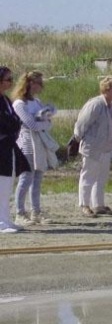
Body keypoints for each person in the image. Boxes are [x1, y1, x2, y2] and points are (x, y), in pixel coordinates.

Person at [11, 71, 58, 226]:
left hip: (39, 142)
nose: (41, 86)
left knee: (37, 177)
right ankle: (19, 213)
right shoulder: (19, 104)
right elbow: (30, 124)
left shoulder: (36, 102)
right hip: (26, 143)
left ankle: (36, 212)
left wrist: (44, 123)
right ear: (30, 83)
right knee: (26, 177)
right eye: (38, 82)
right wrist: (44, 124)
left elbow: (46, 122)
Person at [74, 76, 112, 217]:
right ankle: (84, 204)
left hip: (105, 148)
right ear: (105, 90)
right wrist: (78, 138)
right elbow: (81, 124)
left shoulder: (111, 106)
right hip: (92, 147)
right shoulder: (95, 104)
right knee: (88, 176)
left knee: (101, 177)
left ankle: (98, 204)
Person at [0, 67, 31, 233]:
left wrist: (13, 124)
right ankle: (0, 222)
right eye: (7, 79)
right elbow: (5, 122)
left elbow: (15, 121)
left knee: (7, 184)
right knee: (0, 185)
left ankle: (5, 219)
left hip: (9, 146)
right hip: (1, 145)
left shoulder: (5, 99)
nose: (10, 83)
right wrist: (11, 125)